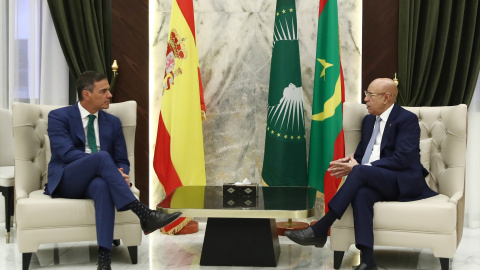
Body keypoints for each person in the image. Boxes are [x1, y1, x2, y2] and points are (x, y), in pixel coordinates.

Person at [285, 78, 437, 270]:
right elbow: (361, 156)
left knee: (360, 172)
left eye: (370, 95)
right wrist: (351, 162)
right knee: (361, 193)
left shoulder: (406, 119)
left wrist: (361, 167)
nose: (365, 99)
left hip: (401, 181)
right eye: (366, 94)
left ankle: (321, 228)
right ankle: (367, 261)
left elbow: (403, 160)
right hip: (375, 178)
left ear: (386, 98)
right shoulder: (368, 121)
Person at [46, 71, 181, 270]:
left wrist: (120, 171)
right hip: (68, 179)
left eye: (108, 90)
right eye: (104, 91)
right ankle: (143, 213)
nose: (110, 95)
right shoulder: (58, 117)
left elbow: (121, 160)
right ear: (86, 94)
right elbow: (66, 154)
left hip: (99, 179)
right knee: (101, 157)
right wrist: (105, 165)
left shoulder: (113, 122)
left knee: (101, 185)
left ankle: (104, 258)